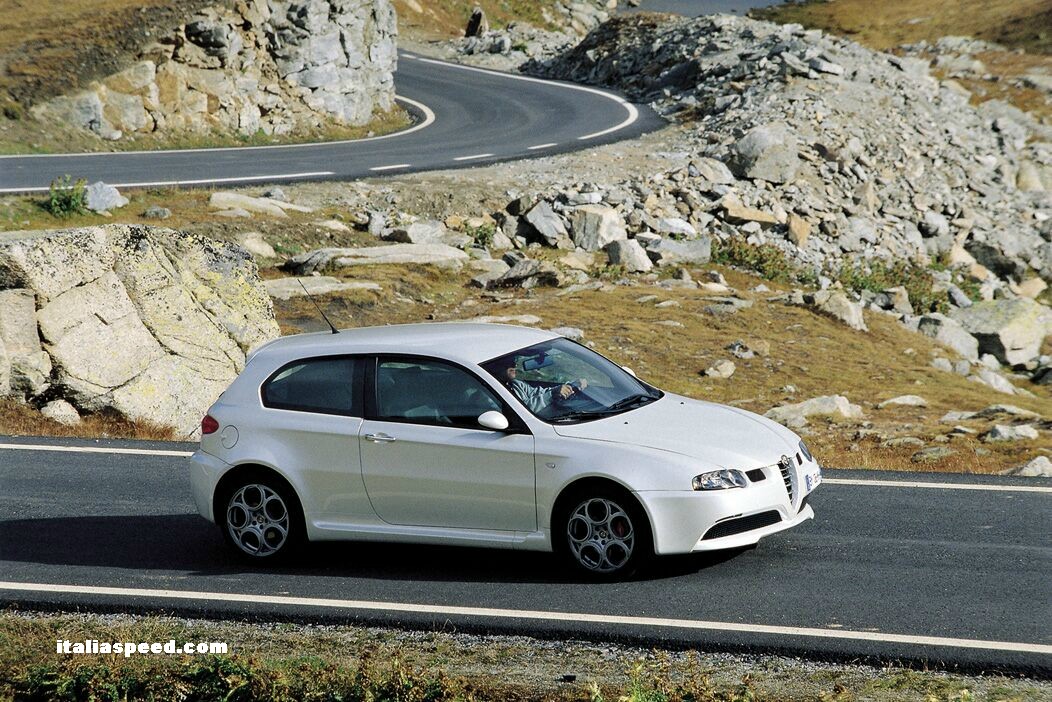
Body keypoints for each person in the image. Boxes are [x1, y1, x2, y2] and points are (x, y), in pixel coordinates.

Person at [499, 360, 587, 414]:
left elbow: (537, 393)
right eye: (509, 362)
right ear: (495, 366)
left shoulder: (516, 384)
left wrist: (570, 385)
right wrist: (552, 394)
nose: (515, 365)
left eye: (515, 360)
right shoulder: (490, 393)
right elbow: (520, 411)